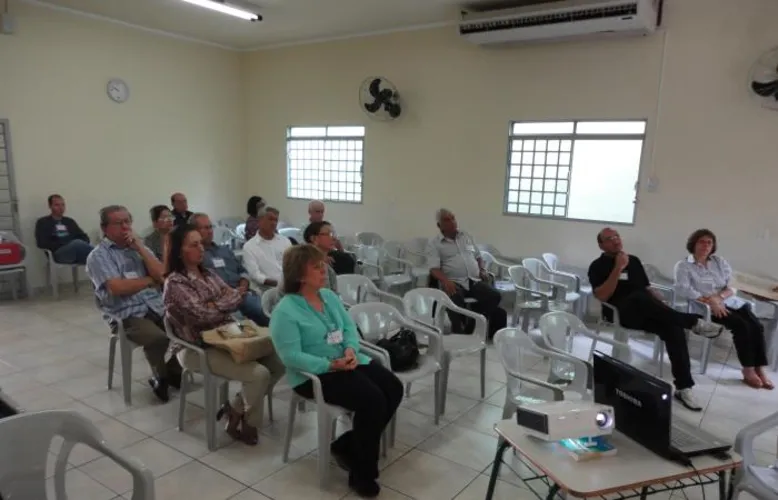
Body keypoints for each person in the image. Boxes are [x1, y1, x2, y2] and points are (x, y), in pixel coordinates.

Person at [270, 245, 402, 498]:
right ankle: (362, 472)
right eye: (317, 267)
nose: (324, 271)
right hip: (315, 373)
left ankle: (347, 445)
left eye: (323, 265)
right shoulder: (285, 311)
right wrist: (330, 365)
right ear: (299, 275)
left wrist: (351, 350)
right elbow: (290, 356)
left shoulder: (328, 296)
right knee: (372, 400)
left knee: (393, 388)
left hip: (347, 362)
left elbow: (349, 328)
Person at [164, 224, 284, 445]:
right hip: (198, 348)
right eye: (194, 244)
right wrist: (222, 303)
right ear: (179, 251)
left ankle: (235, 409)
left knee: (278, 362)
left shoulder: (208, 273)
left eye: (201, 243)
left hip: (228, 337)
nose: (202, 248)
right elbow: (202, 315)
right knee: (259, 374)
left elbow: (237, 295)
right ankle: (249, 421)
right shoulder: (175, 282)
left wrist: (217, 303)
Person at [588, 227, 727, 411]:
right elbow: (602, 296)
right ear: (601, 245)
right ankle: (693, 322)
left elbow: (645, 288)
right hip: (619, 314)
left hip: (646, 312)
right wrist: (618, 268)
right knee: (638, 297)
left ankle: (684, 387)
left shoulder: (634, 261)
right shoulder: (597, 266)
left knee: (673, 329)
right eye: (609, 238)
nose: (615, 240)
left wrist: (658, 299)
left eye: (617, 236)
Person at [86, 205, 181, 402]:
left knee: (187, 326)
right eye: (118, 223)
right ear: (105, 228)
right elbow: (117, 288)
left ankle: (173, 368)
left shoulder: (138, 247)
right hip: (126, 313)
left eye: (128, 222)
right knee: (158, 338)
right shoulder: (98, 256)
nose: (125, 227)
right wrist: (148, 281)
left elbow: (162, 275)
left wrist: (139, 248)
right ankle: (160, 377)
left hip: (155, 305)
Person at [674, 229, 772, 389]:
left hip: (729, 301)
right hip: (704, 307)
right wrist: (711, 302)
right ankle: (748, 370)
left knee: (756, 325)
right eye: (701, 241)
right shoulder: (684, 265)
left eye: (709, 242)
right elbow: (684, 289)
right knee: (741, 325)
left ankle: (759, 368)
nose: (705, 245)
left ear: (713, 246)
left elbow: (732, 284)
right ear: (693, 244)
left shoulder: (719, 262)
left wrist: (718, 298)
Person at [425, 208, 507, 339]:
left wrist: (482, 270)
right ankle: (458, 329)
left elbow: (478, 257)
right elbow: (434, 269)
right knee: (453, 296)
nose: (452, 222)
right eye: (447, 220)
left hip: (473, 280)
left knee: (494, 295)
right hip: (454, 281)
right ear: (439, 225)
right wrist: (446, 281)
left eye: (453, 218)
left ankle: (473, 325)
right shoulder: (434, 244)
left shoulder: (466, 236)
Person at [191, 212, 269, 326]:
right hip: (222, 300)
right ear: (194, 231)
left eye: (211, 227)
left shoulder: (224, 250)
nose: (210, 231)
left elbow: (242, 271)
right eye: (206, 228)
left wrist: (243, 286)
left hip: (242, 294)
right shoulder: (197, 257)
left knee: (268, 311)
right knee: (256, 312)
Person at [34, 194, 93, 265]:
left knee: (92, 257)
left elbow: (84, 237)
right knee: (77, 243)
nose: (61, 208)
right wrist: (65, 243)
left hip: (76, 252)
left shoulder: (69, 221)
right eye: (57, 205)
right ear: (50, 206)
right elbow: (41, 243)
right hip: (57, 254)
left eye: (63, 205)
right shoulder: (43, 222)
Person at [242, 207, 291, 289]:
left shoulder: (285, 241)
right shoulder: (249, 247)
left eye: (276, 220)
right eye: (270, 219)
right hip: (267, 289)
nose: (274, 223)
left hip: (290, 286)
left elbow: (293, 265)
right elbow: (255, 275)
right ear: (259, 221)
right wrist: (279, 284)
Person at [303, 200, 355, 274]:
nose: (321, 215)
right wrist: (319, 257)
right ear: (310, 212)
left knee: (347, 259)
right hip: (313, 255)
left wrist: (342, 253)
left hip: (330, 253)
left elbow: (336, 242)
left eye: (322, 212)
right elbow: (303, 250)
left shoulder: (328, 226)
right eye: (318, 212)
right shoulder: (304, 229)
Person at [302, 221, 338, 291]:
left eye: (333, 234)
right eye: (329, 234)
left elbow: (333, 296)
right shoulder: (304, 265)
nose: (334, 238)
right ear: (314, 239)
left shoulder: (329, 270)